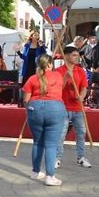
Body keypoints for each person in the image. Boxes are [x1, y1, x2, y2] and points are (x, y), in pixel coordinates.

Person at [22, 54, 66, 186]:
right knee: (51, 145)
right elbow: (62, 86)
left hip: (35, 109)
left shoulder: (32, 78)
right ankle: (50, 176)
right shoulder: (57, 75)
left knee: (37, 142)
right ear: (50, 64)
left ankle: (35, 172)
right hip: (55, 108)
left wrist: (29, 110)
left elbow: (26, 100)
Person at [55, 46, 91, 168]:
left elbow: (84, 88)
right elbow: (56, 89)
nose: (77, 58)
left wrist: (81, 96)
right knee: (61, 134)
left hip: (77, 108)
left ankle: (81, 157)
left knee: (81, 133)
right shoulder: (58, 71)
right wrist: (66, 77)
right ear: (66, 56)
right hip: (63, 107)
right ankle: (57, 158)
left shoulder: (81, 71)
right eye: (74, 55)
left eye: (77, 55)